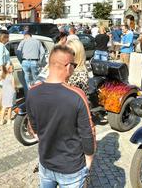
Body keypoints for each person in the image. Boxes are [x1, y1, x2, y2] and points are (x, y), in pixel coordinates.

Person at [26, 45, 96, 187]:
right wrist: (89, 161)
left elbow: (33, 128)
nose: (74, 68)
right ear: (68, 66)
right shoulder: (76, 95)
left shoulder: (32, 92)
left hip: (45, 163)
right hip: (72, 168)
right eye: (74, 65)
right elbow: (88, 132)